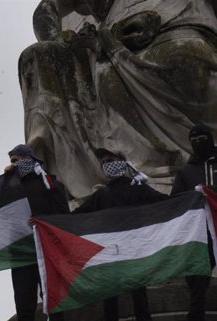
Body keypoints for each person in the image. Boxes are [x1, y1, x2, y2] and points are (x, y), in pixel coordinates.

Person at [19, 0, 217, 201]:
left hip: (174, 24)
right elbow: (48, 9)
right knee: (39, 55)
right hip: (105, 49)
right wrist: (59, 38)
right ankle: (48, 185)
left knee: (184, 64)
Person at [74, 148, 167, 321]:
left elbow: (165, 201)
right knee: (111, 298)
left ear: (123, 163)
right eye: (104, 162)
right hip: (113, 252)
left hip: (134, 251)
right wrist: (47, 221)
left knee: (139, 296)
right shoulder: (102, 195)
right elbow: (76, 216)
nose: (108, 163)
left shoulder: (138, 189)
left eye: (111, 160)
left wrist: (194, 196)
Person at [6, 144, 70, 321]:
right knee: (24, 307)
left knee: (53, 300)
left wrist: (43, 222)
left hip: (46, 250)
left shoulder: (49, 183)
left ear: (29, 158)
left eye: (18, 159)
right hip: (21, 256)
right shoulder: (9, 187)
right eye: (11, 160)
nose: (14, 163)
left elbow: (63, 214)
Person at [171, 123, 217, 321]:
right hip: (201, 235)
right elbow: (175, 202)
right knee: (197, 282)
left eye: (202, 139)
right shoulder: (186, 173)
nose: (198, 143)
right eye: (194, 140)